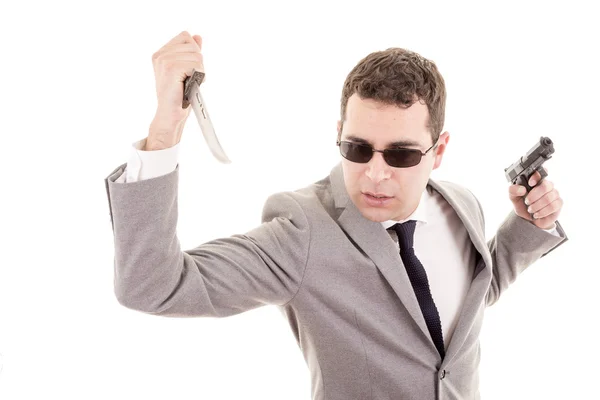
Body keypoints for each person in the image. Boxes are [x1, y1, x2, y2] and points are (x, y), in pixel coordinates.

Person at [104, 31, 568, 399]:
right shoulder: (302, 233)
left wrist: (530, 224)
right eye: (357, 149)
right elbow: (152, 286)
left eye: (402, 155)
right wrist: (165, 129)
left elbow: (467, 302)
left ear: (438, 150)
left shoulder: (461, 204)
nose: (375, 175)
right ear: (339, 133)